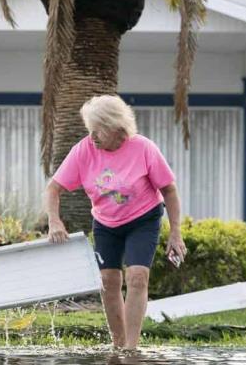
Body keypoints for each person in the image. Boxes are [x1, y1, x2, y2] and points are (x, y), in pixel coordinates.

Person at [44, 95, 186, 350]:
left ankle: (131, 349)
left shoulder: (143, 148)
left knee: (137, 277)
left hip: (143, 219)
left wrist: (176, 233)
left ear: (116, 128)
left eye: (98, 129)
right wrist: (54, 221)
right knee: (108, 280)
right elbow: (53, 188)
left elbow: (170, 191)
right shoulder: (84, 150)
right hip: (106, 223)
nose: (92, 136)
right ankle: (118, 344)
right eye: (90, 129)